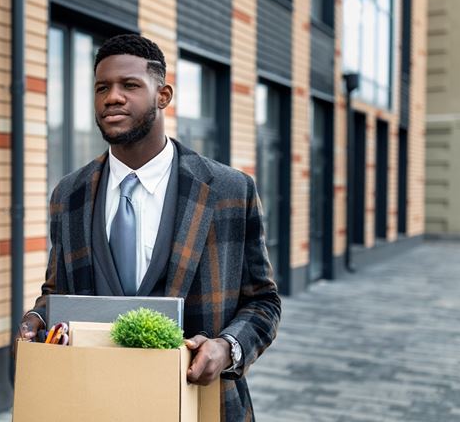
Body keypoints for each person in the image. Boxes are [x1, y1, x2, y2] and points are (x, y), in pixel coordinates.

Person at [17, 34, 280, 421]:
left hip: (201, 405)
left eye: (130, 85)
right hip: (91, 402)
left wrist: (227, 347)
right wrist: (38, 318)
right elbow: (58, 291)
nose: (113, 97)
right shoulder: (68, 194)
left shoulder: (229, 190)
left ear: (163, 95)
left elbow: (263, 302)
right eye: (102, 87)